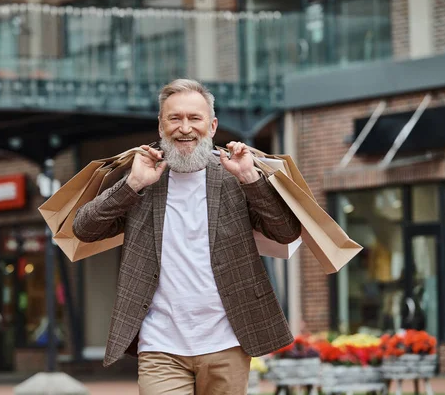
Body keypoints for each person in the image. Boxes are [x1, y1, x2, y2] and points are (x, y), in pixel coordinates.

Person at [73, 78, 302, 394]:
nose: (185, 128)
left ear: (212, 126)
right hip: (160, 345)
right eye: (174, 118)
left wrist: (251, 178)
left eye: (194, 118)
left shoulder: (234, 175)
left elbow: (286, 232)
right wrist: (131, 185)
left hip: (228, 341)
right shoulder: (142, 177)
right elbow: (83, 229)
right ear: (160, 125)